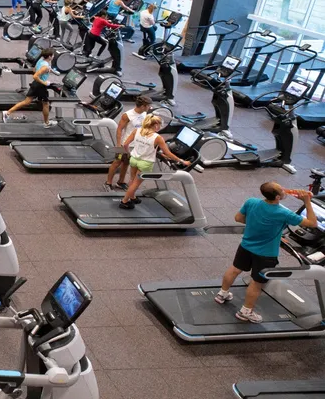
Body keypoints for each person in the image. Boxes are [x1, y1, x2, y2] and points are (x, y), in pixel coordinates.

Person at [214, 183, 317, 323]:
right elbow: (312, 223)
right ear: (277, 197)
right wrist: (307, 202)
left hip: (246, 246)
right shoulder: (283, 213)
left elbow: (238, 218)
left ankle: (222, 294)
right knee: (257, 283)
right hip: (266, 254)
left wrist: (254, 224)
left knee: (235, 269)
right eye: (281, 189)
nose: (284, 189)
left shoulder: (251, 202)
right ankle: (245, 312)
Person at [118, 114, 190, 209]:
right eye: (159, 125)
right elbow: (168, 153)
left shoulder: (137, 131)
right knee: (136, 183)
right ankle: (124, 201)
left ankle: (132, 197)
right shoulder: (157, 137)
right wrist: (182, 161)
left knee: (132, 180)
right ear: (155, 125)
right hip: (145, 163)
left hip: (134, 159)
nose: (160, 127)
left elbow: (126, 144)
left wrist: (129, 153)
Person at [105, 95, 151, 188]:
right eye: (148, 106)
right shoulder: (127, 115)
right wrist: (118, 145)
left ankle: (120, 182)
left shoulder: (145, 114)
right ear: (143, 106)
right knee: (117, 162)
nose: (150, 107)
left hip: (137, 144)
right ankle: (108, 183)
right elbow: (119, 129)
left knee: (126, 163)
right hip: (125, 144)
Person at [2, 48, 56, 127]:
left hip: (35, 85)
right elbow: (35, 76)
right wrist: (44, 82)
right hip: (40, 86)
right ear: (49, 57)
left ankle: (7, 113)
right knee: (46, 104)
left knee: (26, 102)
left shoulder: (40, 61)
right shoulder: (45, 67)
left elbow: (34, 70)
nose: (54, 56)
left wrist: (46, 71)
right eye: (53, 55)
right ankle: (47, 123)